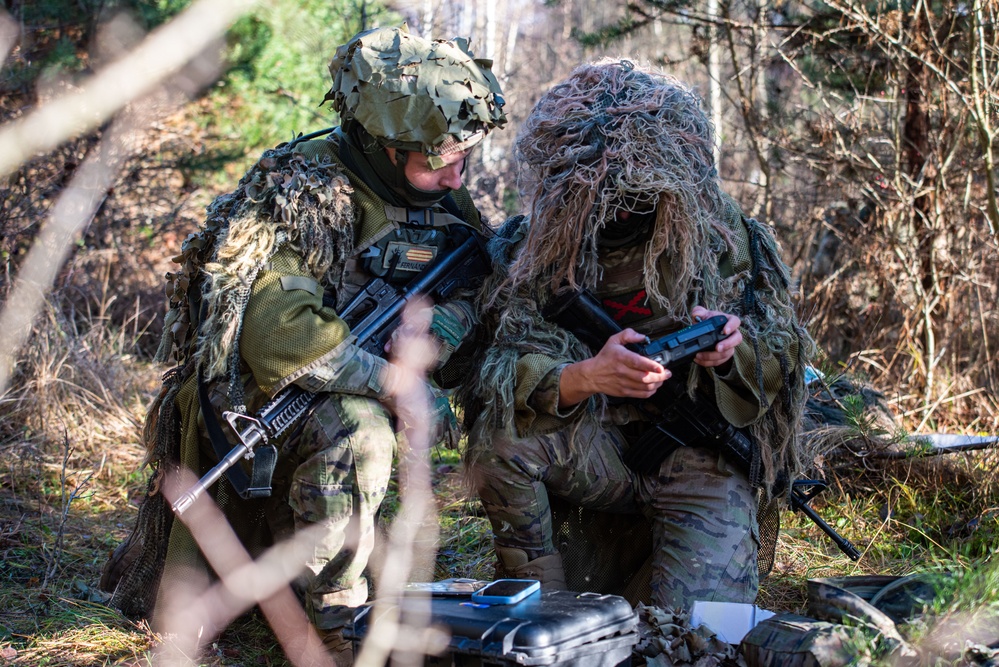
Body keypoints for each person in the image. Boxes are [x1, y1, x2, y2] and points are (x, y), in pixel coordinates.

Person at [100, 25, 506, 663]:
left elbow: (478, 281)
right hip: (254, 413)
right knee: (360, 428)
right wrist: (394, 381)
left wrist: (438, 332)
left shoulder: (439, 200)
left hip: (330, 398)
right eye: (440, 162)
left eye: (463, 159)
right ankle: (339, 627)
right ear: (385, 148)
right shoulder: (301, 195)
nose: (457, 178)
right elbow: (283, 340)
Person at [460, 60, 812, 611]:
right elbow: (498, 367)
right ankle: (540, 616)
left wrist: (729, 354)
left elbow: (782, 359)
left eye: (640, 195)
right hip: (592, 444)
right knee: (497, 444)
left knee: (704, 638)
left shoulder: (723, 239)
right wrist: (584, 377)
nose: (622, 209)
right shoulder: (538, 248)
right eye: (603, 195)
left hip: (702, 456)